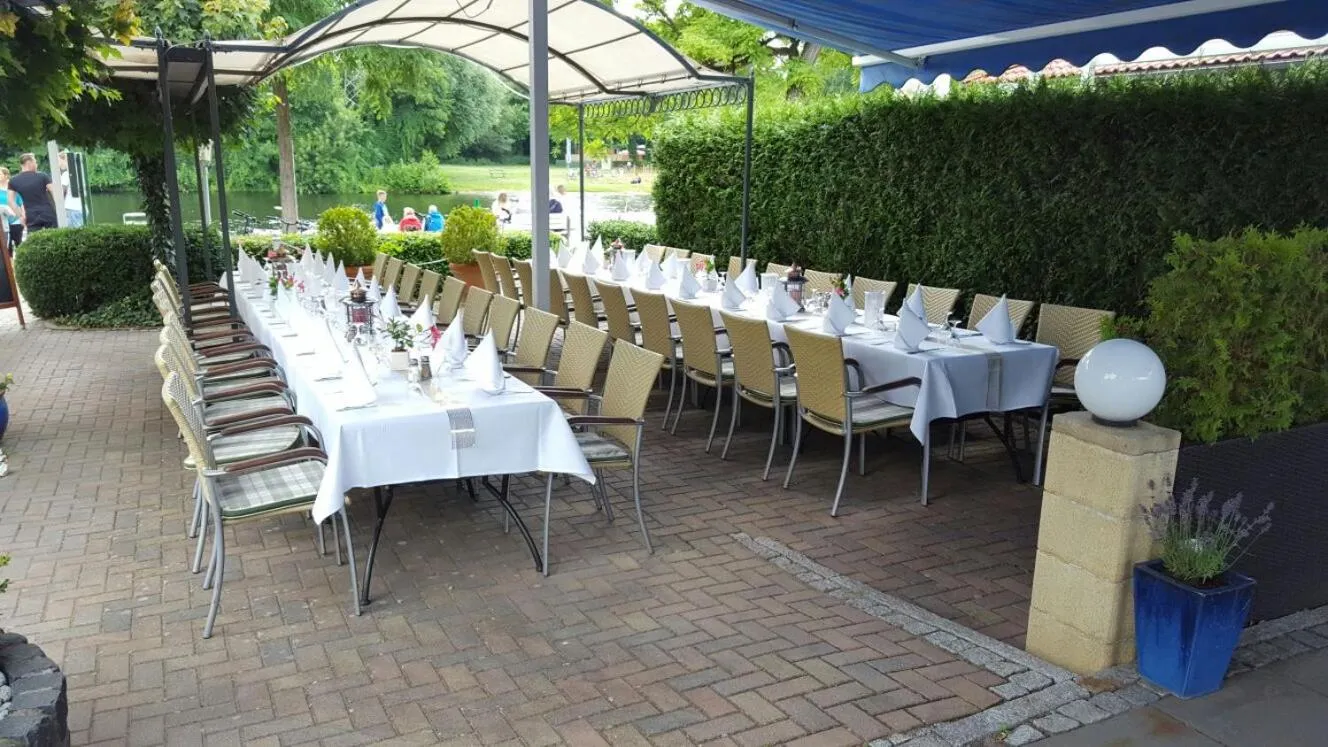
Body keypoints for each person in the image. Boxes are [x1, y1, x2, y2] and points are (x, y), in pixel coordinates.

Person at [7, 154, 59, 235]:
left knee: (34, 239)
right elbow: (55, 192)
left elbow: (10, 201)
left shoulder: (13, 181)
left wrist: (20, 216)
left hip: (30, 215)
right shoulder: (42, 176)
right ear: (29, 163)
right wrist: (59, 209)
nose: (36, 164)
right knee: (54, 236)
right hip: (48, 213)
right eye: (35, 162)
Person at [58, 152, 84, 228]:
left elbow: (60, 191)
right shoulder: (79, 173)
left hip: (71, 208)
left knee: (71, 232)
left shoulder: (66, 174)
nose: (58, 165)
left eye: (58, 161)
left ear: (64, 160)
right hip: (81, 208)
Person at [0, 168, 23, 254]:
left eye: (0, 174)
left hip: (15, 220)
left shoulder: (13, 188)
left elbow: (21, 203)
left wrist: (22, 216)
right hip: (2, 222)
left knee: (19, 243)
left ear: (6, 175)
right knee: (6, 247)